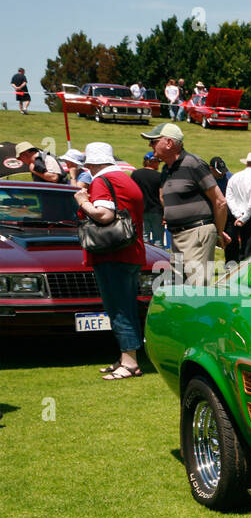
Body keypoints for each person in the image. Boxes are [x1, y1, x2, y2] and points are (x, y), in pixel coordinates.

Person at [73, 142, 147, 380]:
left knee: (118, 308)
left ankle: (130, 362)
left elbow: (104, 215)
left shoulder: (101, 181)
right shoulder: (126, 179)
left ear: (92, 164)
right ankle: (128, 357)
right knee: (126, 306)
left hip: (112, 253)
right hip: (130, 251)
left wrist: (83, 201)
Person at [142, 121, 229, 286]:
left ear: (169, 143)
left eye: (154, 141)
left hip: (196, 234)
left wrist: (219, 231)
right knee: (180, 290)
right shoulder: (166, 169)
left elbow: (220, 201)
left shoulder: (193, 163)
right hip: (177, 236)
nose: (150, 145)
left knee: (196, 291)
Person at [223, 152, 251, 263]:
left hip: (234, 216)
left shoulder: (234, 177)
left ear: (246, 164)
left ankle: (231, 274)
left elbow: (229, 197)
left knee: (232, 247)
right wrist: (244, 218)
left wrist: (237, 214)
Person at [130, 151, 165, 247]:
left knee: (143, 239)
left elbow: (132, 193)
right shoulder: (160, 176)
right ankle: (160, 260)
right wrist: (165, 213)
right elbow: (161, 196)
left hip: (140, 210)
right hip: (156, 211)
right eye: (158, 162)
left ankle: (145, 260)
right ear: (152, 162)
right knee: (158, 240)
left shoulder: (135, 174)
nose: (158, 164)